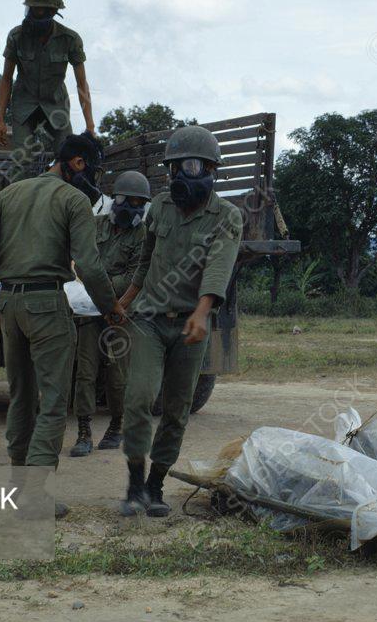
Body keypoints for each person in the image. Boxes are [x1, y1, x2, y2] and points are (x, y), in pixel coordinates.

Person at [0, 132, 124, 518]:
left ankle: (19, 490)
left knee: (21, 398)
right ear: (78, 163)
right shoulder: (73, 200)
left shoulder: (9, 194)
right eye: (94, 170)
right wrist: (111, 308)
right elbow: (87, 264)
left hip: (10, 304)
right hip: (48, 304)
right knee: (53, 404)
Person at [114, 126, 243, 517]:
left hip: (190, 325)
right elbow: (145, 261)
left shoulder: (227, 216)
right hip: (149, 320)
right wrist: (124, 301)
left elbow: (218, 268)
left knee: (176, 409)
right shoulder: (159, 208)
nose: (179, 177)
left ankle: (156, 486)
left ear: (209, 170)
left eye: (188, 166)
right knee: (138, 399)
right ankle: (135, 485)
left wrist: (202, 314)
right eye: (174, 168)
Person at [69, 171, 151, 457]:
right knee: (85, 372)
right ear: (116, 199)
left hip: (120, 311)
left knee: (118, 376)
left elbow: (133, 278)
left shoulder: (142, 235)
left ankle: (117, 426)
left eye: (140, 204)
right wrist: (99, 283)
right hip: (89, 310)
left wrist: (98, 283)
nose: (134, 208)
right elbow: (78, 263)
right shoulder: (95, 225)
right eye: (130, 201)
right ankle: (83, 431)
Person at [0, 0, 96, 182]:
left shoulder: (70, 40)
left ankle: (62, 204)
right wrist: (0, 120)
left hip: (55, 104)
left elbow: (81, 84)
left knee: (69, 156)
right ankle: (18, 205)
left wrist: (90, 126)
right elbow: (6, 79)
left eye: (41, 11)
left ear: (53, 12)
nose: (35, 14)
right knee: (21, 161)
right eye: (33, 9)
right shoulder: (16, 36)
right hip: (24, 105)